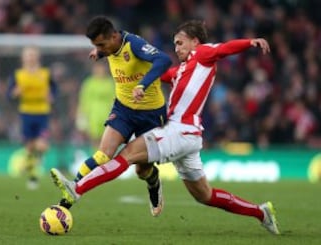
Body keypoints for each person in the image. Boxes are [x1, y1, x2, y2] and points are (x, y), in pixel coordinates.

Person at [50, 19, 280, 235]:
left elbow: (223, 49)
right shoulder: (182, 70)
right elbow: (155, 72)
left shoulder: (202, 53)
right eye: (175, 44)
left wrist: (249, 42)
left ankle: (76, 189)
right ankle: (261, 212)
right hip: (188, 136)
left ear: (195, 42)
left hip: (179, 130)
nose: (177, 48)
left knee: (126, 155)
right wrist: (105, 54)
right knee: (205, 195)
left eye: (180, 43)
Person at [51, 16, 172, 216]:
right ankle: (71, 191)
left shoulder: (134, 44)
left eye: (101, 44)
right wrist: (99, 52)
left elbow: (164, 60)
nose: (100, 49)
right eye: (96, 45)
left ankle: (154, 181)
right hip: (123, 109)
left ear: (114, 36)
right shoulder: (108, 48)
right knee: (103, 154)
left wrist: (143, 84)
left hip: (150, 114)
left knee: (142, 171)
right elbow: (106, 50)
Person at [7, 46, 57, 189]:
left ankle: (34, 172)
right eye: (28, 55)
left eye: (33, 55)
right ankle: (32, 175)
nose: (30, 57)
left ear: (37, 57)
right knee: (29, 147)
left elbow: (54, 89)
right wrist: (14, 93)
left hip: (42, 113)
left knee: (42, 145)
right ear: (23, 58)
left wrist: (51, 96)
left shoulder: (45, 74)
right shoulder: (18, 75)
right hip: (26, 113)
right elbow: (9, 95)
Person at [76, 61, 115, 149]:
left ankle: (104, 159)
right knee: (94, 140)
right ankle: (95, 159)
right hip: (92, 116)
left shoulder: (109, 83)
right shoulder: (89, 83)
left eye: (101, 68)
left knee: (106, 140)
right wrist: (81, 119)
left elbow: (114, 100)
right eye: (97, 68)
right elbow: (83, 101)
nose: (100, 70)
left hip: (106, 115)